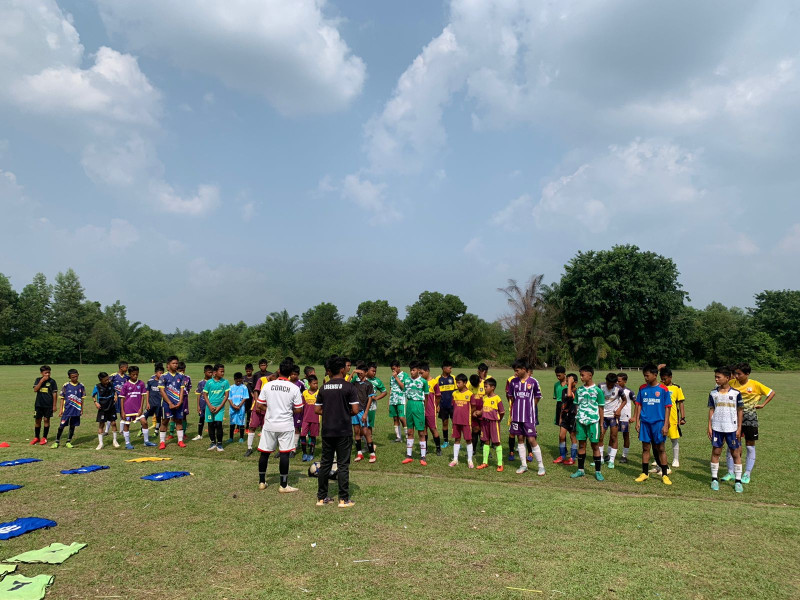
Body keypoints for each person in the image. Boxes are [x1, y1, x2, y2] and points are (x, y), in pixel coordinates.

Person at [314, 356, 359, 507]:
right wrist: (343, 413)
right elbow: (355, 410)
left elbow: (317, 410)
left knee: (325, 464)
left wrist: (330, 412)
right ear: (341, 369)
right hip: (343, 430)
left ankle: (321, 498)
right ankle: (343, 499)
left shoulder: (323, 388)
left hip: (327, 430)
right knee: (343, 465)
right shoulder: (349, 387)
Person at [256, 359, 304, 493]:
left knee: (265, 453)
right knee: (284, 453)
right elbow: (299, 409)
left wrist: (270, 410)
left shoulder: (268, 385)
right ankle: (283, 485)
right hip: (286, 425)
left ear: (279, 370)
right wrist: (288, 410)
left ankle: (262, 482)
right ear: (290, 373)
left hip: (270, 424)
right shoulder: (294, 388)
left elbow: (259, 405)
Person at [728, 363, 776, 484]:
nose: (736, 376)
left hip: (750, 419)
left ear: (747, 374)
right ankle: (731, 472)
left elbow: (771, 392)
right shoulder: (731, 383)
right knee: (733, 445)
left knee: (749, 445)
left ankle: (747, 473)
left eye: (739, 374)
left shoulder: (755, 384)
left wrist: (763, 404)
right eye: (735, 373)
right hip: (733, 419)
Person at [633, 364, 672, 485]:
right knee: (645, 448)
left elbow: (668, 408)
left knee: (661, 448)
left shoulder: (663, 389)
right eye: (644, 375)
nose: (645, 378)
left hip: (658, 423)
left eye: (647, 375)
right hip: (645, 423)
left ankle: (665, 474)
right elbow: (638, 405)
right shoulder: (642, 388)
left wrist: (666, 424)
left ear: (655, 375)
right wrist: (637, 421)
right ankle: (644, 473)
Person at [708, 366, 744, 493]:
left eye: (719, 377)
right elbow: (711, 409)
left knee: (735, 454)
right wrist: (709, 426)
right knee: (716, 452)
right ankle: (714, 479)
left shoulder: (736, 393)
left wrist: (739, 428)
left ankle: (738, 481)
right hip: (717, 427)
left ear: (727, 378)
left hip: (731, 428)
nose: (716, 379)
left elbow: (740, 411)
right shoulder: (713, 393)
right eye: (715, 377)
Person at [507, 359, 545, 476]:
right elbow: (511, 397)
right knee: (520, 439)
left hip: (528, 417)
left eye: (517, 370)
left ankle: (541, 466)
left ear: (524, 369)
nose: (515, 373)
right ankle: (523, 465)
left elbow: (537, 397)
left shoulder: (533, 382)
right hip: (516, 416)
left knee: (531, 440)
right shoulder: (513, 382)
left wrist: (530, 407)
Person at [570, 366, 605, 481]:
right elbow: (576, 405)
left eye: (582, 375)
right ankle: (580, 470)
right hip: (581, 421)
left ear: (590, 376)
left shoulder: (598, 391)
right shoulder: (579, 390)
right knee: (581, 445)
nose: (580, 377)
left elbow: (601, 408)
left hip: (593, 422)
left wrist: (601, 424)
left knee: (595, 446)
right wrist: (577, 418)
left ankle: (598, 472)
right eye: (580, 375)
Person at [401, 361, 430, 465]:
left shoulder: (423, 382)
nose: (411, 372)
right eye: (411, 370)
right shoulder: (407, 381)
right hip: (409, 405)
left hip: (419, 406)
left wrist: (424, 409)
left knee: (421, 432)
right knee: (410, 431)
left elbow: (426, 396)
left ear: (418, 370)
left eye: (413, 370)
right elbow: (404, 394)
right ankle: (409, 456)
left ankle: (423, 457)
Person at [158, 356, 189, 450]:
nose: (175, 365)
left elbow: (182, 389)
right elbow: (162, 391)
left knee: (179, 420)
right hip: (167, 404)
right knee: (165, 421)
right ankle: (162, 442)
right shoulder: (163, 376)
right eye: (173, 363)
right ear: (168, 364)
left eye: (176, 363)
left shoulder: (181, 376)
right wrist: (169, 403)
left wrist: (180, 401)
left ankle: (180, 441)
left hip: (178, 403)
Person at [659, 367, 685, 469]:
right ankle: (658, 459)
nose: (663, 381)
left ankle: (675, 459)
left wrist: (682, 417)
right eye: (661, 379)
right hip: (660, 417)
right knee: (659, 439)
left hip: (672, 417)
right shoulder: (659, 387)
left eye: (665, 379)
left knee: (674, 438)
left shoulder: (676, 388)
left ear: (670, 377)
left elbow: (681, 403)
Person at [476, 378, 505, 471]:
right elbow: (484, 408)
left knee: (496, 442)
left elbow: (502, 412)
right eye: (484, 387)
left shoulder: (497, 398)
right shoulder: (484, 398)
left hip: (493, 422)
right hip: (484, 422)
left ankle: (500, 464)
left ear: (493, 387)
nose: (485, 388)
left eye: (486, 387)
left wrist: (498, 420)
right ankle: (485, 462)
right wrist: (479, 412)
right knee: (486, 441)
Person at [52, 369, 85, 449]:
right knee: (61, 426)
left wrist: (81, 409)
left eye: (76, 376)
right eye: (73, 377)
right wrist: (61, 410)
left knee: (72, 426)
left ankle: (68, 441)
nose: (75, 378)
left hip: (76, 410)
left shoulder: (81, 386)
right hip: (66, 410)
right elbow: (62, 398)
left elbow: (82, 399)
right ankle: (57, 441)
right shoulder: (66, 385)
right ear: (69, 377)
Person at [448, 374, 475, 468]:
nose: (457, 384)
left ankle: (470, 460)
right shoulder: (454, 393)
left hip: (466, 421)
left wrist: (468, 416)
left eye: (459, 382)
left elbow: (473, 407)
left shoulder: (470, 394)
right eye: (456, 382)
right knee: (457, 439)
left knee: (468, 439)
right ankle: (455, 459)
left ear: (465, 383)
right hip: (456, 420)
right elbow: (453, 406)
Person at [351, 362, 376, 463]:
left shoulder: (368, 384)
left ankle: (372, 454)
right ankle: (359, 454)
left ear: (366, 373)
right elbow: (346, 384)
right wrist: (352, 372)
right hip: (354, 412)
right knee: (356, 432)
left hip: (363, 411)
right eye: (358, 373)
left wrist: (365, 413)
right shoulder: (354, 383)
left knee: (366, 432)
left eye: (361, 373)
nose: (359, 375)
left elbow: (370, 399)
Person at [203, 363, 230, 452]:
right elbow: (205, 394)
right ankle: (213, 442)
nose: (223, 373)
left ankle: (219, 444)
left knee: (218, 424)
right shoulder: (209, 382)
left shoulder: (225, 382)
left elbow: (226, 396)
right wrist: (210, 406)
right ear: (215, 372)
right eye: (221, 371)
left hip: (220, 408)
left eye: (223, 371)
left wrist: (219, 407)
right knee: (210, 425)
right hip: (209, 408)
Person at [118, 366, 147, 450]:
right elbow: (122, 399)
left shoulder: (141, 383)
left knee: (144, 422)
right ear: (129, 374)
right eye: (133, 374)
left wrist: (141, 408)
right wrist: (122, 411)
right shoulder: (126, 385)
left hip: (137, 409)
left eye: (137, 374)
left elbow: (142, 397)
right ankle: (127, 443)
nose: (135, 376)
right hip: (128, 409)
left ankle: (146, 441)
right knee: (127, 425)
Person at [598, 372, 622, 469]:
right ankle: (600, 458)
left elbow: (624, 400)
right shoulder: (600, 386)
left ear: (615, 383)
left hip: (613, 417)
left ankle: (611, 460)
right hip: (602, 416)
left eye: (611, 385)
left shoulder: (618, 389)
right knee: (600, 436)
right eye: (608, 384)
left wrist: (619, 409)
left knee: (613, 437)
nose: (609, 386)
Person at [555, 373, 578, 465]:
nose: (567, 383)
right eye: (567, 381)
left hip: (573, 417)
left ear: (575, 382)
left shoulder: (577, 391)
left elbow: (569, 395)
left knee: (572, 436)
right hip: (565, 416)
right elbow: (563, 404)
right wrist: (561, 417)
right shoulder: (564, 390)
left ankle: (572, 458)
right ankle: (562, 456)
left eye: (570, 381)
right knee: (561, 436)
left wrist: (569, 384)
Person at [32, 365, 58, 446]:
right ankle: (37, 437)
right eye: (45, 373)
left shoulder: (52, 381)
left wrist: (54, 405)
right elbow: (35, 389)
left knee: (46, 420)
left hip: (48, 405)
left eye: (49, 372)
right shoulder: (38, 380)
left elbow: (54, 393)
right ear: (41, 373)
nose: (47, 374)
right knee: (37, 420)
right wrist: (41, 381)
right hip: (39, 404)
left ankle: (44, 437)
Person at [420, 362, 442, 456]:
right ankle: (425, 449)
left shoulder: (434, 382)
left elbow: (438, 396)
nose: (420, 375)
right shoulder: (420, 382)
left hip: (430, 410)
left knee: (433, 429)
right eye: (419, 373)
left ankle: (438, 448)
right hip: (421, 409)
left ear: (427, 371)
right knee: (423, 429)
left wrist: (436, 405)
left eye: (422, 373)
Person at [432, 360, 455, 449]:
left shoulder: (453, 378)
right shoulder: (437, 379)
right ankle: (446, 441)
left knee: (455, 423)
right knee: (445, 423)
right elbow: (435, 394)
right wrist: (437, 405)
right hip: (443, 406)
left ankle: (457, 442)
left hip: (452, 406)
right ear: (444, 368)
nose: (451, 370)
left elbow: (457, 392)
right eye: (449, 368)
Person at [92, 372, 119, 450]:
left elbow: (115, 391)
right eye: (105, 380)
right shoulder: (97, 386)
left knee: (113, 423)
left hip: (111, 406)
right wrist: (95, 402)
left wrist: (116, 396)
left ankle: (115, 441)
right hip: (102, 408)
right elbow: (93, 395)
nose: (108, 381)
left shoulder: (111, 384)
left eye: (108, 379)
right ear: (101, 380)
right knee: (101, 424)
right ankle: (101, 443)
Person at [138, 363, 163, 446]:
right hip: (151, 404)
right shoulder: (150, 382)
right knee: (144, 417)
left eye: (162, 373)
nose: (161, 375)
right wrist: (147, 402)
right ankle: (141, 430)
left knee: (158, 417)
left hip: (159, 404)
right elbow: (147, 392)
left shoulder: (163, 383)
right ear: (156, 373)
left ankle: (156, 431)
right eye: (160, 373)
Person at [364, 362, 386, 453]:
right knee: (361, 426)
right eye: (372, 371)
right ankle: (368, 444)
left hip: (371, 407)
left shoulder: (377, 381)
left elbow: (384, 392)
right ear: (367, 370)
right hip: (361, 406)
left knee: (368, 426)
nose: (374, 373)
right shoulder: (360, 378)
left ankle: (368, 446)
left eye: (375, 371)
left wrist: (376, 398)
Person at [300, 375, 320, 461]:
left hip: (315, 419)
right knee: (302, 435)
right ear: (309, 384)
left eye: (317, 383)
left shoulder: (319, 393)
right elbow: (302, 405)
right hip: (305, 418)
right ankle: (304, 453)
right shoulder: (305, 393)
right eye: (314, 383)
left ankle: (311, 453)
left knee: (313, 436)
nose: (316, 385)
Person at [192, 365, 213, 441]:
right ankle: (199, 435)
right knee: (201, 419)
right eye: (209, 372)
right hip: (202, 404)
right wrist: (198, 406)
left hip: (210, 404)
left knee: (210, 420)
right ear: (205, 372)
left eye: (211, 372)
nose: (210, 374)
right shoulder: (201, 383)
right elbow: (198, 394)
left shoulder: (213, 382)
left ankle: (211, 435)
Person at [616, 373, 634, 463]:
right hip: (615, 416)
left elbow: (637, 404)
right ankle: (611, 454)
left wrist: (634, 417)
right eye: (616, 380)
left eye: (619, 381)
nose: (617, 382)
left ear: (625, 381)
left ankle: (624, 456)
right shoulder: (614, 390)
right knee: (613, 435)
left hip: (625, 417)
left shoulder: (629, 392)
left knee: (625, 436)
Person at [107, 361, 129, 435]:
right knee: (111, 413)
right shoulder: (113, 376)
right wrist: (114, 394)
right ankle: (106, 431)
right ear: (121, 367)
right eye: (126, 367)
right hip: (114, 398)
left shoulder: (127, 377)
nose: (127, 369)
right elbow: (107, 385)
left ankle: (121, 430)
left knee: (123, 413)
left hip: (123, 398)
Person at [289, 364, 305, 457]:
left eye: (295, 374)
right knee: (287, 428)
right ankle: (285, 447)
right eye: (292, 374)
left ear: (298, 375)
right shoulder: (286, 383)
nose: (293, 376)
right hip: (287, 408)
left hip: (297, 409)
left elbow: (305, 394)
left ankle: (294, 448)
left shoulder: (300, 384)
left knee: (296, 427)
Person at [388, 360, 407, 442]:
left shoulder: (404, 375)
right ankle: (398, 437)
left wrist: (396, 377)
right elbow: (391, 389)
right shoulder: (391, 377)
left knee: (402, 418)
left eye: (394, 368)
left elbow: (404, 387)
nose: (393, 370)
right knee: (395, 418)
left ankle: (408, 436)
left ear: (399, 367)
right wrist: (389, 402)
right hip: (393, 400)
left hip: (401, 400)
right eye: (392, 369)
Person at [228, 372, 249, 443]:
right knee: (232, 423)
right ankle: (231, 438)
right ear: (234, 379)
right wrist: (233, 405)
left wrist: (239, 405)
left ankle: (241, 438)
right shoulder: (231, 387)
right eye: (237, 379)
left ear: (242, 379)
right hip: (232, 408)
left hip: (241, 408)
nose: (238, 381)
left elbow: (245, 397)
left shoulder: (244, 387)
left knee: (241, 422)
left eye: (240, 379)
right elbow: (229, 398)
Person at [244, 363, 256, 431]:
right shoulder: (243, 378)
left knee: (249, 412)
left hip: (251, 398)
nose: (248, 372)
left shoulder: (254, 378)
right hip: (244, 399)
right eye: (247, 371)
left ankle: (247, 427)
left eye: (249, 371)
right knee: (242, 412)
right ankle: (238, 427)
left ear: (252, 370)